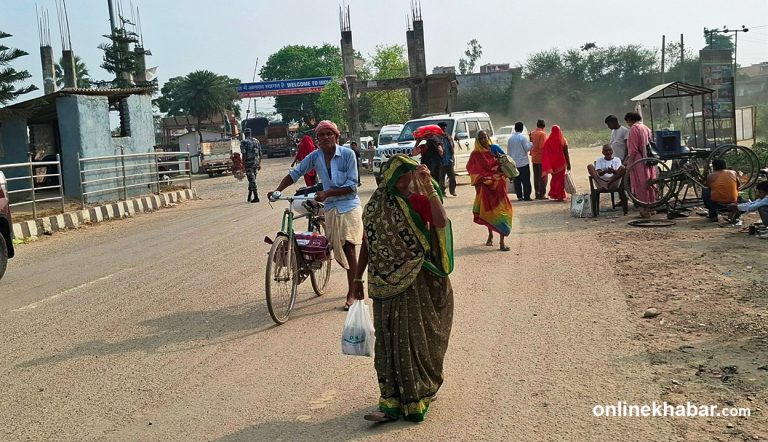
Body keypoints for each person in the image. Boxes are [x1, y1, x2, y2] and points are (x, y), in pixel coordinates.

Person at [353, 154, 453, 423]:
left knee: (415, 338)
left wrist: (429, 186)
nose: (403, 180)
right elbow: (368, 244)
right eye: (397, 175)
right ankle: (390, 401)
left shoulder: (417, 201)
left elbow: (441, 221)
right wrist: (356, 279)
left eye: (407, 174)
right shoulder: (375, 208)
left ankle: (418, 393)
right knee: (387, 342)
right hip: (382, 284)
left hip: (415, 281)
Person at [268, 120, 363, 309]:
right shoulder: (315, 156)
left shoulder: (348, 154)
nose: (326, 137)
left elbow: (352, 186)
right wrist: (277, 190)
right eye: (321, 135)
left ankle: (353, 291)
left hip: (348, 205)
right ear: (317, 139)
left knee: (348, 247)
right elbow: (295, 173)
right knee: (332, 245)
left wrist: (327, 193)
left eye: (329, 134)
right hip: (330, 207)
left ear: (336, 136)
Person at [466, 130, 514, 251]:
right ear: (477, 140)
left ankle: (502, 242)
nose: (483, 140)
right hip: (485, 187)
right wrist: (482, 179)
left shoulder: (495, 149)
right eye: (480, 138)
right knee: (488, 212)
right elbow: (471, 168)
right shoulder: (475, 154)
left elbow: (506, 161)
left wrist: (503, 170)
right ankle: (490, 235)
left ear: (488, 137)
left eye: (485, 137)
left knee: (503, 211)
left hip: (499, 186)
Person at [625, 112, 655, 217]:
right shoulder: (646, 128)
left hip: (638, 161)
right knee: (650, 183)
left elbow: (633, 150)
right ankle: (652, 207)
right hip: (648, 159)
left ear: (629, 120)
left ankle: (644, 209)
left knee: (640, 184)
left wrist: (629, 164)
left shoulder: (634, 129)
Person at [703, 158, 740, 223]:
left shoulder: (710, 175)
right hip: (734, 202)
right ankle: (734, 212)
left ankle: (713, 215)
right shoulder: (733, 172)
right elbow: (738, 184)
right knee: (744, 201)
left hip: (717, 204)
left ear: (714, 166)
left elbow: (709, 187)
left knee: (705, 190)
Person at [540, 125, 571, 201]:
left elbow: (545, 153)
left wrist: (548, 164)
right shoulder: (563, 140)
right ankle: (560, 195)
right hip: (561, 163)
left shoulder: (548, 141)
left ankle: (555, 194)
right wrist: (569, 164)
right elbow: (566, 153)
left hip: (553, 165)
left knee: (554, 179)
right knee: (560, 180)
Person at [506, 122, 533, 201]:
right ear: (522, 129)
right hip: (523, 163)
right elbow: (527, 148)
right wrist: (531, 142)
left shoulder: (510, 139)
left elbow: (508, 152)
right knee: (525, 181)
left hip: (514, 164)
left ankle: (519, 196)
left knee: (517, 181)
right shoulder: (522, 138)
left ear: (515, 128)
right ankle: (527, 197)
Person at [241, 132, 262, 203]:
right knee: (252, 179)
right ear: (250, 133)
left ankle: (256, 197)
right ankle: (249, 196)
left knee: (251, 180)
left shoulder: (244, 142)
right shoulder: (256, 140)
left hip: (248, 164)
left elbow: (244, 154)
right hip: (256, 163)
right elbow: (260, 153)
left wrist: (243, 165)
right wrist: (259, 163)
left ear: (244, 134)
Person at [530, 120, 548, 199]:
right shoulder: (542, 134)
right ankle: (542, 194)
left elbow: (531, 144)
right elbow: (542, 147)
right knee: (543, 176)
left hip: (534, 158)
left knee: (536, 176)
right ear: (544, 126)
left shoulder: (532, 133)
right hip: (541, 158)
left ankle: (537, 193)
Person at [437, 122, 457, 196]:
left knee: (452, 177)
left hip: (449, 161)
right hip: (441, 161)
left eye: (444, 128)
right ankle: (442, 192)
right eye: (442, 128)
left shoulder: (448, 137)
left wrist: (452, 159)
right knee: (441, 178)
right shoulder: (436, 138)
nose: (443, 130)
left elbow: (452, 148)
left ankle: (452, 191)